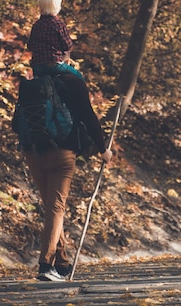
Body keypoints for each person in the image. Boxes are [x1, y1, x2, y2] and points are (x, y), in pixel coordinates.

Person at [23, 72, 113, 281]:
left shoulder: (30, 82)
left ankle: (62, 263)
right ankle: (46, 265)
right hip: (62, 153)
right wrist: (102, 149)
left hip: (33, 152)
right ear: (63, 53)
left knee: (52, 209)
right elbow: (88, 116)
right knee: (56, 209)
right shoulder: (72, 80)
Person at [27, 0, 84, 80]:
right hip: (54, 65)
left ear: (40, 7)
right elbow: (67, 45)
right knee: (79, 77)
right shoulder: (58, 24)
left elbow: (30, 46)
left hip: (38, 68)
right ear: (58, 7)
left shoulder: (36, 25)